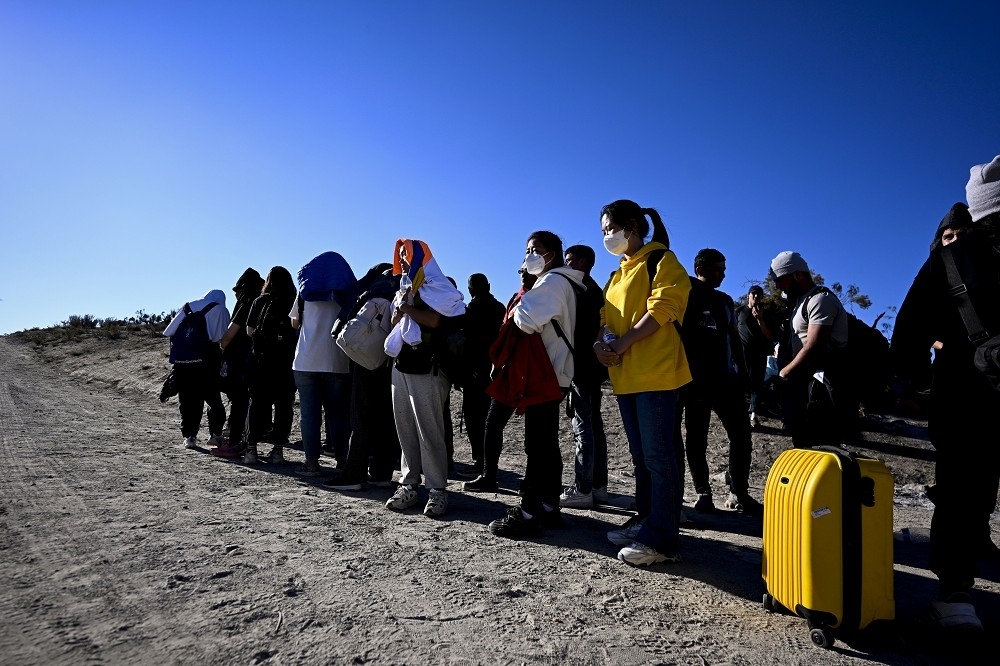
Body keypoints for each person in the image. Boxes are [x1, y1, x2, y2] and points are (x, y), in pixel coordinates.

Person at [892, 162, 1000, 633]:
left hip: (964, 392)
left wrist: (913, 386)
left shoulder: (948, 257)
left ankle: (956, 595)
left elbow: (908, 332)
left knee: (958, 489)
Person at [594, 200, 690, 566]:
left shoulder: (662, 260)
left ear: (631, 226)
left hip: (658, 371)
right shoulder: (616, 274)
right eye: (603, 231)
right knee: (641, 458)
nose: (607, 236)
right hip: (626, 376)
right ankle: (647, 521)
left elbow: (663, 307)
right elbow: (605, 317)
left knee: (660, 458)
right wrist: (601, 342)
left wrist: (624, 342)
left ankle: (661, 540)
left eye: (609, 229)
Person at [486, 231, 584, 538]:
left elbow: (524, 320)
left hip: (545, 372)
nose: (530, 254)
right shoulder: (564, 282)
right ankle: (549, 506)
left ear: (552, 254)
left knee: (537, 446)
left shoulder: (553, 282)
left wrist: (520, 303)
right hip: (556, 372)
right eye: (527, 249)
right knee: (546, 445)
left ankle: (527, 513)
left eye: (536, 249)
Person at [675, 249, 763, 516]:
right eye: (717, 269)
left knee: (741, 435)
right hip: (694, 381)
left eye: (724, 269)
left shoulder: (725, 301)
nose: (723, 274)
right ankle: (703, 494)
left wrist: (744, 374)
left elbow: (733, 338)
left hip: (725, 381)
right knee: (696, 438)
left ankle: (739, 493)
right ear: (700, 268)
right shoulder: (685, 291)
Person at [383, 240, 466, 518]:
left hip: (429, 366)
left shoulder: (439, 286)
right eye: (402, 257)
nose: (404, 261)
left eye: (408, 256)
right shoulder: (407, 286)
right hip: (403, 363)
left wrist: (406, 309)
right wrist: (401, 309)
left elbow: (435, 321)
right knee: (405, 427)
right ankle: (408, 484)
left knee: (429, 430)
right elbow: (397, 323)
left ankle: (437, 490)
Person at [324, 264, 402, 490]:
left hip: (366, 358)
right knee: (387, 417)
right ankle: (381, 473)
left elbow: (347, 313)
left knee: (362, 415)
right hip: (393, 360)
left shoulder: (371, 288)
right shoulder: (403, 288)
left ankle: (354, 474)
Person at [462, 267, 537, 493]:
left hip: (517, 369)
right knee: (491, 422)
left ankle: (486, 469)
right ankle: (489, 473)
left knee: (484, 420)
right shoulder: (506, 303)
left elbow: (472, 341)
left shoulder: (533, 299)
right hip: (501, 369)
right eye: (521, 270)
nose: (523, 273)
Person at [769, 251, 849, 448]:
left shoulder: (821, 300)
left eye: (780, 279)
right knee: (803, 443)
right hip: (806, 385)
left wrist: (784, 372)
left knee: (824, 446)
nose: (778, 286)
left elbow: (814, 345)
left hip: (824, 385)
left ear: (798, 275)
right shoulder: (800, 303)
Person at [290, 252, 357, 477]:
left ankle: (311, 464)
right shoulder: (348, 292)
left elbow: (294, 322)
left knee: (309, 414)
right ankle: (342, 461)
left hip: (306, 359)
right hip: (337, 360)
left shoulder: (305, 291)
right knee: (338, 415)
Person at [558, 244, 610, 509]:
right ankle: (599, 486)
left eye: (569, 260)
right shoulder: (596, 290)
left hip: (581, 367)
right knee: (595, 426)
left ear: (582, 262)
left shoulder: (578, 290)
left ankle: (583, 488)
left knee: (583, 427)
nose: (565, 266)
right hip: (594, 367)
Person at [243, 266, 299, 465]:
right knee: (284, 406)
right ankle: (277, 451)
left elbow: (249, 331)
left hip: (260, 362)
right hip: (285, 363)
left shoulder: (260, 301)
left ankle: (251, 450)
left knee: (257, 404)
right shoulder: (293, 301)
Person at [162, 289, 231, 449]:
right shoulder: (221, 309)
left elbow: (169, 331)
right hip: (209, 359)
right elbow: (223, 338)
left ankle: (189, 437)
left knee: (187, 400)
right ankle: (215, 435)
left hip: (183, 361)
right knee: (213, 398)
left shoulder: (187, 306)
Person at [211, 268, 264, 458]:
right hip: (257, 360)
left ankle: (234, 442)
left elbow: (228, 336)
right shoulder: (262, 303)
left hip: (239, 361)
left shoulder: (246, 305)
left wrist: (222, 348)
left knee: (239, 401)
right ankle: (242, 441)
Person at [458, 273, 506, 478]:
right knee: (488, 418)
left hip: (475, 370)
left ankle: (480, 461)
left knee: (474, 417)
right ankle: (486, 462)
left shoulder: (472, 310)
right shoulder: (500, 308)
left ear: (470, 290)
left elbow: (466, 342)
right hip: (493, 368)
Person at [736, 285, 776, 428]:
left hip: (759, 354)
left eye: (759, 295)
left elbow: (770, 336)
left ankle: (754, 415)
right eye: (754, 294)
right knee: (739, 383)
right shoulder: (740, 311)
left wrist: (760, 319)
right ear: (748, 296)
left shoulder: (766, 314)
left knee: (757, 385)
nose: (756, 297)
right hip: (741, 354)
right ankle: (739, 415)